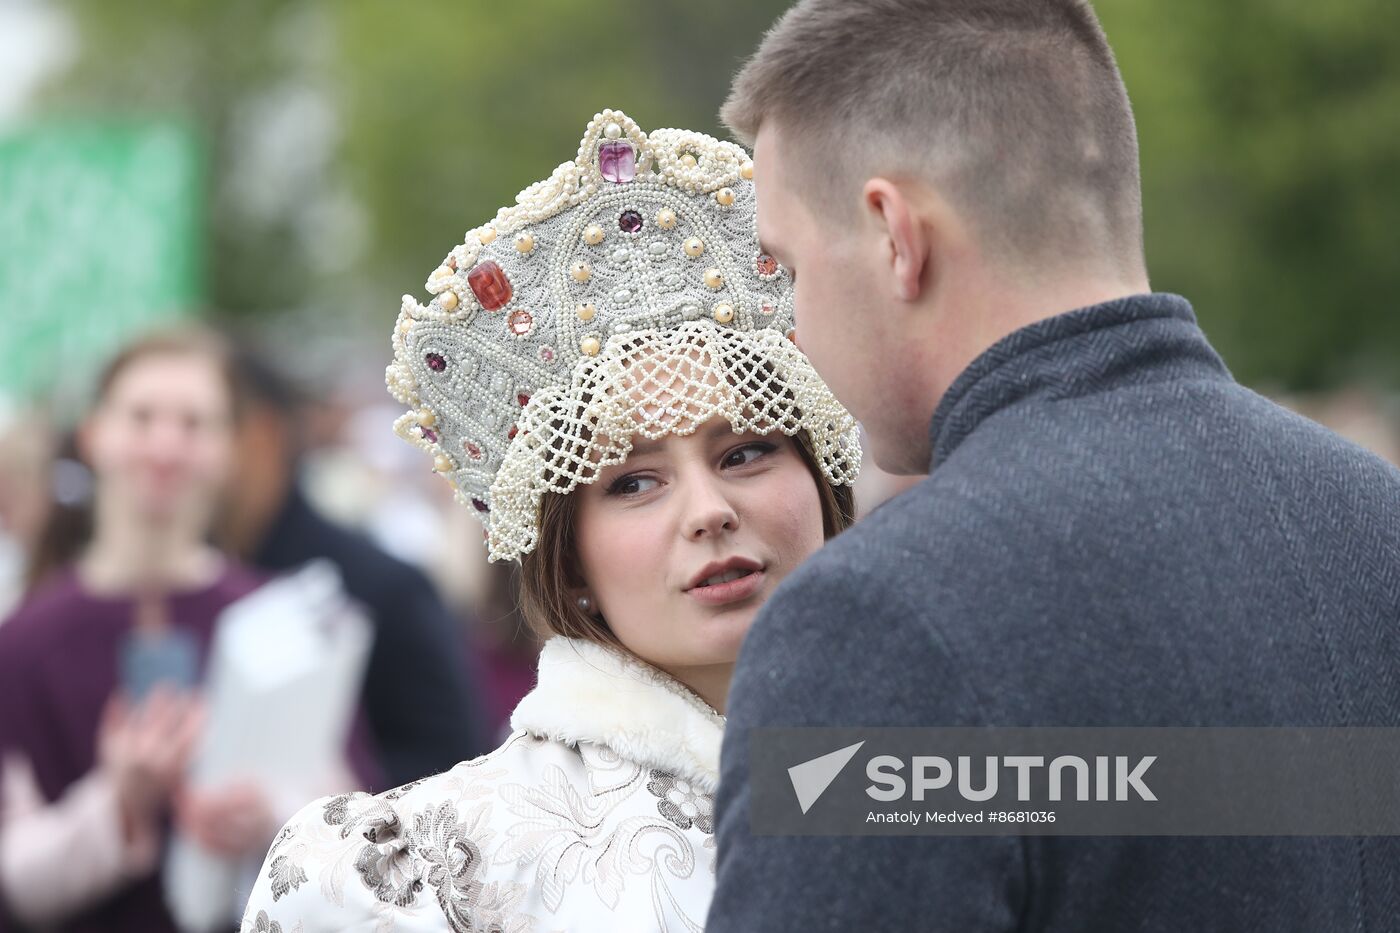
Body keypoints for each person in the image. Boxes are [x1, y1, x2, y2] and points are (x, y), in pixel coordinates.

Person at [706, 1, 1400, 931]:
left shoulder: (881, 617)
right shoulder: (1374, 517)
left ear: (893, 235)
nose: (793, 324)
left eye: (788, 266)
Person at [239, 109, 860, 932]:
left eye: (745, 452)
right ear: (568, 561)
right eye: (635, 482)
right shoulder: (424, 868)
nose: (710, 512)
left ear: (823, 480)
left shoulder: (976, 776)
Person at [0, 329, 377, 933]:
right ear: (96, 435)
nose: (166, 444)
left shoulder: (287, 622)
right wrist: (116, 806)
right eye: (143, 416)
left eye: (194, 422)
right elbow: (14, 880)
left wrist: (274, 821)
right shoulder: (20, 644)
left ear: (228, 448)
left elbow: (351, 823)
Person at [217, 347, 489, 787]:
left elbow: (456, 766)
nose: (172, 451)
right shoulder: (187, 585)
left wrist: (321, 802)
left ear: (262, 435)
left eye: (197, 425)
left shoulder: (382, 588)